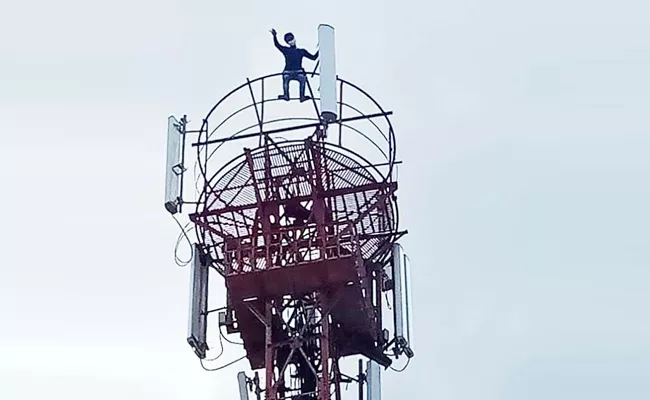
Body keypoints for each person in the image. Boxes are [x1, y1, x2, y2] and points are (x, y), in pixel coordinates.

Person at [270, 29, 318, 102]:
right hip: (291, 72)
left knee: (301, 78)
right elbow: (277, 45)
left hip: (295, 72)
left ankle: (300, 96)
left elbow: (314, 57)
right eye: (288, 40)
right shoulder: (288, 50)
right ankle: (288, 95)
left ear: (294, 38)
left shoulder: (301, 51)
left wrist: (320, 50)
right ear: (287, 42)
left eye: (291, 38)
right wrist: (274, 36)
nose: (291, 41)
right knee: (296, 78)